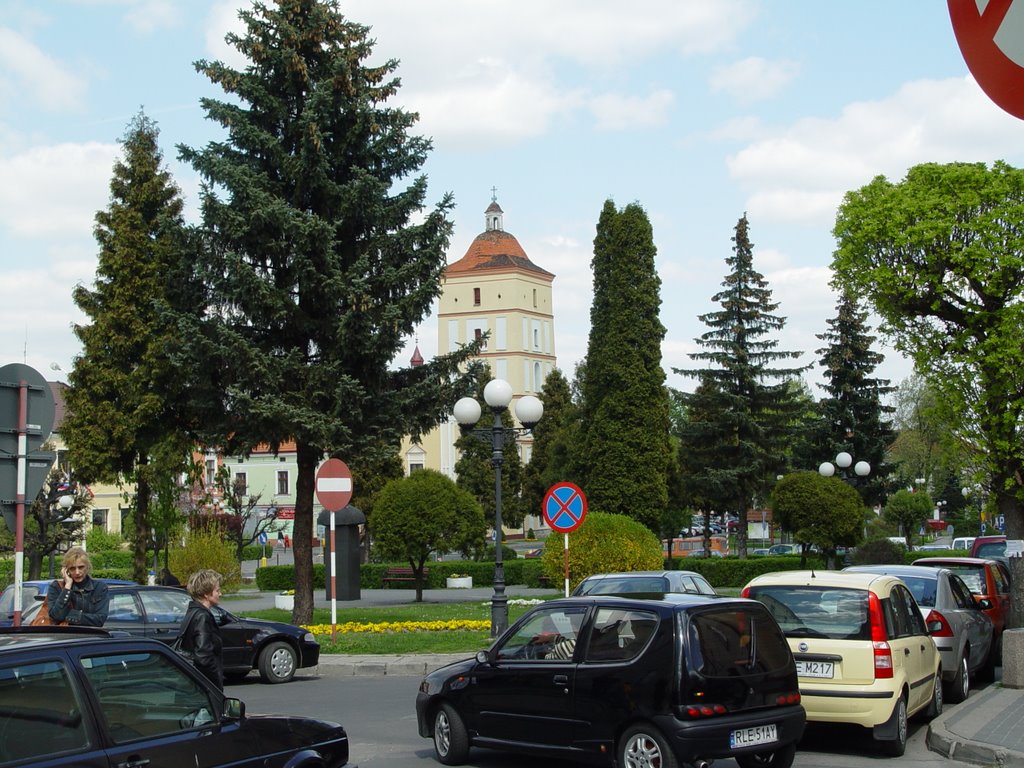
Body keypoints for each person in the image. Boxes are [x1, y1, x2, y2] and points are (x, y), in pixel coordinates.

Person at [177, 569, 224, 690]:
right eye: (217, 591)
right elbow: (204, 656)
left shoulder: (193, 611)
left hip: (191, 684)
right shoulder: (203, 616)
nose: (220, 594)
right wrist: (216, 685)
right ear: (206, 594)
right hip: (202, 688)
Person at [46, 546, 109, 626]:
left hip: (91, 636)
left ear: (87, 567)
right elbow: (56, 615)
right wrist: (67, 587)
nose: (77, 572)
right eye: (72, 568)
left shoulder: (100, 588)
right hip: (64, 636)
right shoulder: (56, 587)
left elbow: (100, 619)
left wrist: (69, 614)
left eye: (81, 567)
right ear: (66, 570)